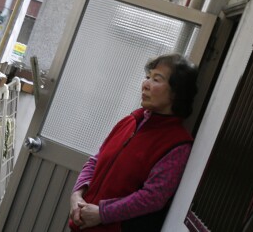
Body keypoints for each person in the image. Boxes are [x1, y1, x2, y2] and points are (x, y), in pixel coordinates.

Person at [68, 53, 198, 231]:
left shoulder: (178, 144)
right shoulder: (130, 120)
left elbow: (153, 197)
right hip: (81, 225)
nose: (145, 84)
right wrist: (77, 196)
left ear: (177, 92)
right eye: (147, 77)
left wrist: (102, 213)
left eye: (156, 79)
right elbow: (95, 161)